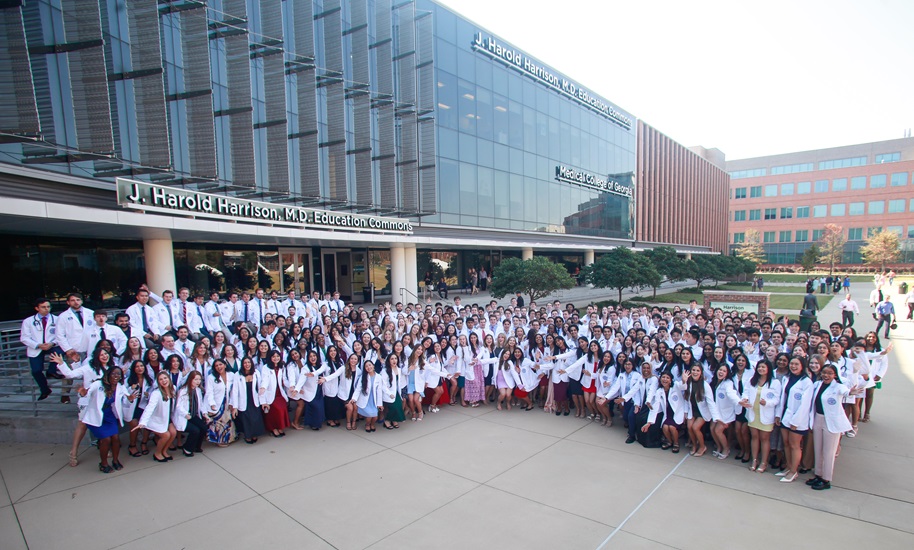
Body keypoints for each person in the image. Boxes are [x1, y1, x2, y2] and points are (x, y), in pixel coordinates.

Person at [808, 364, 853, 491]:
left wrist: (851, 392)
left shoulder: (838, 387)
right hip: (818, 418)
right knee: (818, 449)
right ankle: (818, 474)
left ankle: (826, 479)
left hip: (831, 421)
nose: (826, 375)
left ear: (835, 375)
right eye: (824, 373)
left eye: (829, 373)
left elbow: (845, 392)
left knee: (828, 452)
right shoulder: (817, 385)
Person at [774, 357, 813, 483]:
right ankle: (789, 466)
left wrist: (796, 421)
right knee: (786, 443)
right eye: (792, 364)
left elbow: (805, 405)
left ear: (802, 366)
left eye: (797, 364)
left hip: (797, 420)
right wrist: (778, 415)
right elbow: (782, 398)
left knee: (794, 445)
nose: (793, 366)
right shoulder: (787, 378)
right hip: (786, 415)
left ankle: (793, 471)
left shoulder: (807, 382)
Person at [739, 360, 781, 473]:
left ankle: (764, 462)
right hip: (753, 413)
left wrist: (767, 402)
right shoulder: (752, 380)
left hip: (766, 414)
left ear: (768, 369)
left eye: (763, 367)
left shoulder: (775, 382)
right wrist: (745, 399)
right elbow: (745, 392)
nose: (761, 369)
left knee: (764, 439)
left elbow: (776, 399)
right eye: (759, 367)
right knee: (754, 437)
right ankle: (755, 460)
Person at [84, 366, 127, 473]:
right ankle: (103, 463)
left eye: (118, 374)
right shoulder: (98, 384)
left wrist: (130, 399)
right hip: (96, 414)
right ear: (108, 374)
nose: (116, 376)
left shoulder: (119, 386)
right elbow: (87, 393)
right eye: (113, 373)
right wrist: (83, 393)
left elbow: (127, 398)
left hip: (109, 414)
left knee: (116, 438)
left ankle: (115, 460)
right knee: (106, 439)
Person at [20, 297, 65, 401]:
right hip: (36, 347)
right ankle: (45, 389)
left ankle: (51, 371)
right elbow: (24, 337)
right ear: (37, 308)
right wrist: (38, 345)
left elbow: (62, 335)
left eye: (48, 307)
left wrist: (52, 343)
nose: (46, 309)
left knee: (60, 352)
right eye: (43, 307)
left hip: (52, 345)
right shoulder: (28, 321)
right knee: (36, 371)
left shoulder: (57, 319)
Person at [136, 370, 178, 463]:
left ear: (169, 379)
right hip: (156, 419)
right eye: (160, 379)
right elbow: (149, 408)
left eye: (165, 378)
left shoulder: (173, 388)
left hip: (168, 417)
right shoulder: (156, 393)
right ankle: (157, 453)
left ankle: (164, 451)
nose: (164, 381)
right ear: (158, 382)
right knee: (166, 435)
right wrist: (143, 421)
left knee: (173, 433)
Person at [232, 357, 266, 443]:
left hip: (254, 399)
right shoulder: (237, 374)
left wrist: (263, 402)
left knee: (255, 418)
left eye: (248, 362)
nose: (247, 364)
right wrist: (235, 407)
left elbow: (260, 388)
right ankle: (247, 436)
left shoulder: (256, 373)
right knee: (246, 419)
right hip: (243, 401)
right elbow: (235, 391)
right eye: (245, 363)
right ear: (242, 364)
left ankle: (254, 434)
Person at [174, 370, 206, 456]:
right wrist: (186, 414)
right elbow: (178, 406)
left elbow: (201, 404)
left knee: (203, 427)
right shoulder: (183, 391)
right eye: (195, 379)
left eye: (199, 379)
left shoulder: (198, 390)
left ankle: (196, 446)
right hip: (185, 416)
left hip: (193, 415)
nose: (198, 381)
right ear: (190, 379)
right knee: (195, 430)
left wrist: (204, 413)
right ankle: (187, 448)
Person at [205, 359, 236, 446]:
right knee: (219, 423)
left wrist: (232, 402)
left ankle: (229, 438)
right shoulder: (211, 377)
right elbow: (209, 392)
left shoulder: (231, 375)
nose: (219, 367)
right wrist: (212, 404)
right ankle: (219, 440)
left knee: (228, 421)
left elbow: (234, 390)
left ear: (225, 365)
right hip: (217, 403)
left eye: (220, 364)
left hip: (228, 401)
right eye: (216, 366)